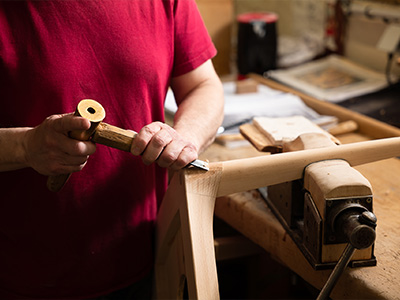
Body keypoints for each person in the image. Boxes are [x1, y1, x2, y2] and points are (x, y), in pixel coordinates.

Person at [0, 1, 224, 299]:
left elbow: (203, 85)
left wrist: (185, 138)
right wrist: (25, 147)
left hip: (144, 258)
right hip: (23, 275)